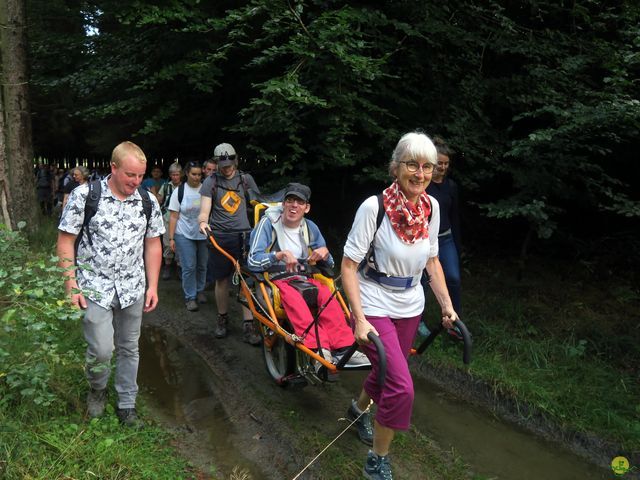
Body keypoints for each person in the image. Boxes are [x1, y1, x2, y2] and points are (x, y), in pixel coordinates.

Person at [341, 132, 459, 479]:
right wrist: (359, 319)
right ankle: (377, 460)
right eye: (412, 164)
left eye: (427, 167)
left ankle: (357, 409)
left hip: (411, 303)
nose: (420, 173)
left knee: (387, 370)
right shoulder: (373, 207)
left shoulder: (432, 207)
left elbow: (433, 262)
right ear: (396, 168)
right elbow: (348, 267)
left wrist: (447, 307)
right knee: (401, 386)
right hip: (374, 300)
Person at [56, 141, 164, 428]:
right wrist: (72, 285)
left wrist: (152, 286)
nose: (136, 181)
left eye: (140, 176)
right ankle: (97, 389)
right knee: (102, 349)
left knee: (130, 347)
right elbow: (66, 241)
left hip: (133, 286)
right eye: (130, 175)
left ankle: (127, 404)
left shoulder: (147, 201)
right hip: (94, 286)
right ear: (113, 167)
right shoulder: (84, 196)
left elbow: (153, 244)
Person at [247, 182, 369, 370]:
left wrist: (324, 254)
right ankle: (317, 349)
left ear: (307, 208)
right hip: (276, 279)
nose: (294, 205)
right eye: (290, 200)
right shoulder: (267, 224)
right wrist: (278, 255)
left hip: (305, 278)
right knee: (295, 300)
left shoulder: (310, 227)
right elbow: (252, 261)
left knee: (328, 298)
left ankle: (344, 348)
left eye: (299, 202)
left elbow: (329, 265)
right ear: (283, 204)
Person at [198, 142, 261, 345]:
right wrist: (202, 223)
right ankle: (222, 318)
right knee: (222, 280)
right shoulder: (210, 182)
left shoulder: (245, 180)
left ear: (236, 159)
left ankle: (249, 324)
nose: (227, 168)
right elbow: (204, 211)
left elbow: (259, 204)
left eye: (229, 163)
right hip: (220, 237)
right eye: (222, 165)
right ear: (216, 163)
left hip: (244, 236)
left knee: (245, 280)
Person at [423, 136, 463, 339]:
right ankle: (417, 320)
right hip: (425, 240)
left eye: (446, 164)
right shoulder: (423, 185)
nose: (443, 167)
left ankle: (454, 323)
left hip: (446, 239)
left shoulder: (452, 186)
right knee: (422, 282)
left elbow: (454, 216)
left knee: (454, 278)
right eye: (439, 163)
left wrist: (457, 244)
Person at [168, 161, 208, 311]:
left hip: (203, 234)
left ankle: (200, 289)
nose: (197, 177)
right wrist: (171, 238)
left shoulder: (206, 189)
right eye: (193, 174)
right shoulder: (179, 191)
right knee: (189, 266)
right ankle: (190, 297)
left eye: (199, 174)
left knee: (203, 265)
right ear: (187, 174)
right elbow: (173, 216)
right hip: (184, 234)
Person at [158, 162, 183, 280]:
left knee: (181, 244)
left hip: (182, 219)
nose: (175, 177)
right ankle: (167, 267)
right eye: (173, 174)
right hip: (168, 218)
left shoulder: (185, 187)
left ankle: (179, 267)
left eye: (177, 174)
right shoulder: (166, 186)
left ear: (181, 175)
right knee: (167, 243)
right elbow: (159, 200)